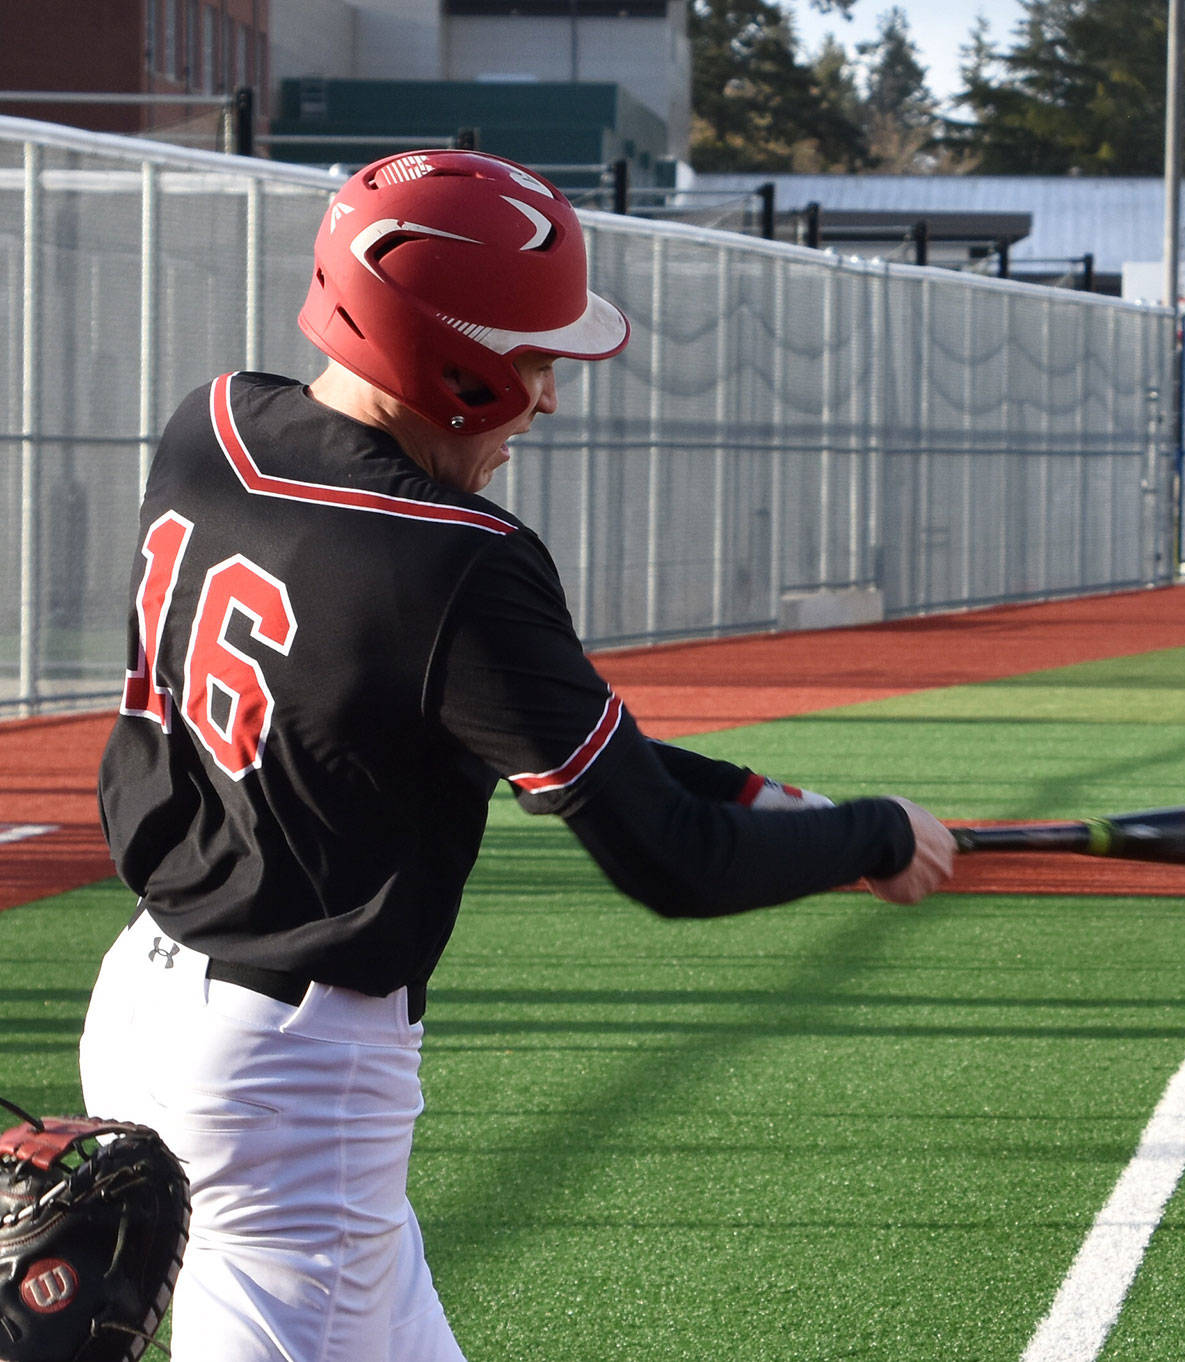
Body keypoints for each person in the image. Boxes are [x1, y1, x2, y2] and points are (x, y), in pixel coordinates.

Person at [78, 148, 955, 1362]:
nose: (547, 396)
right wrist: (869, 834)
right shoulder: (461, 560)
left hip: (148, 1002)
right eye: (533, 359)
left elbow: (412, 713)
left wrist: (750, 791)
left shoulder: (214, 423)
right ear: (452, 357)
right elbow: (672, 862)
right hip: (294, 1073)